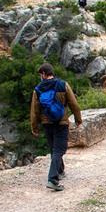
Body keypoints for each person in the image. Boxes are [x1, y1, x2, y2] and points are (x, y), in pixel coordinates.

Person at [30, 62, 82, 191]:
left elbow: (34, 111)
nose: (40, 77)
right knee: (59, 150)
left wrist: (34, 127)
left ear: (44, 74)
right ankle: (52, 179)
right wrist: (78, 119)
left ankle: (60, 171)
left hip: (47, 123)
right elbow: (73, 104)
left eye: (40, 75)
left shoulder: (38, 89)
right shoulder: (63, 85)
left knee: (54, 148)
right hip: (61, 122)